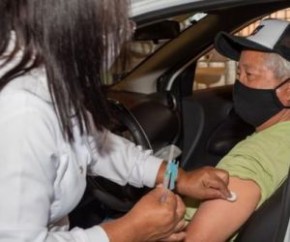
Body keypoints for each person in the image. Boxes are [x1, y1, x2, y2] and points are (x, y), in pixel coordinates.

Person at [0, 1, 231, 242]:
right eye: (117, 27)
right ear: (76, 27)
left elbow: (101, 148)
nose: (122, 39)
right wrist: (133, 231)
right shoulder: (22, 112)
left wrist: (179, 178)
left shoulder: (51, 80)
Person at [185, 18, 290, 242]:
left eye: (249, 75)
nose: (239, 84)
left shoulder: (255, 156)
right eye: (238, 73)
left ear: (288, 91)